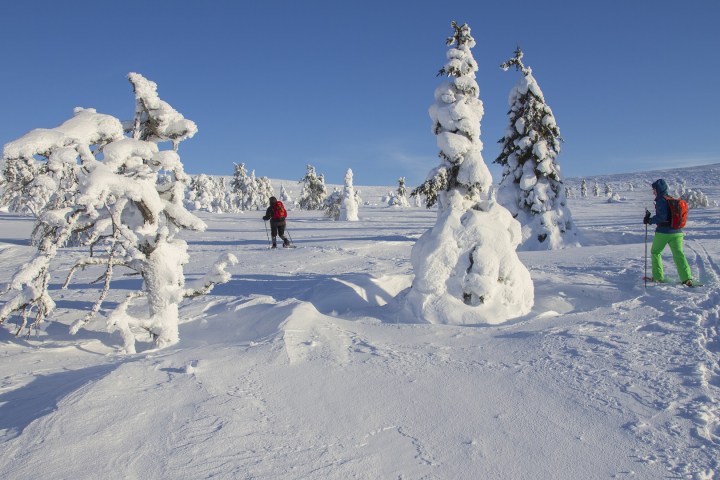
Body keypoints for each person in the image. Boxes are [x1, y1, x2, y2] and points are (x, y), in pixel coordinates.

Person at [643, 179, 693, 285]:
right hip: (678, 232)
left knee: (656, 252)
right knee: (679, 254)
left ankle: (658, 277)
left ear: (658, 189)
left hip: (664, 232)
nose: (653, 192)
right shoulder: (671, 199)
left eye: (654, 189)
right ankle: (687, 278)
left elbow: (662, 217)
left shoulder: (661, 200)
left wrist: (649, 220)